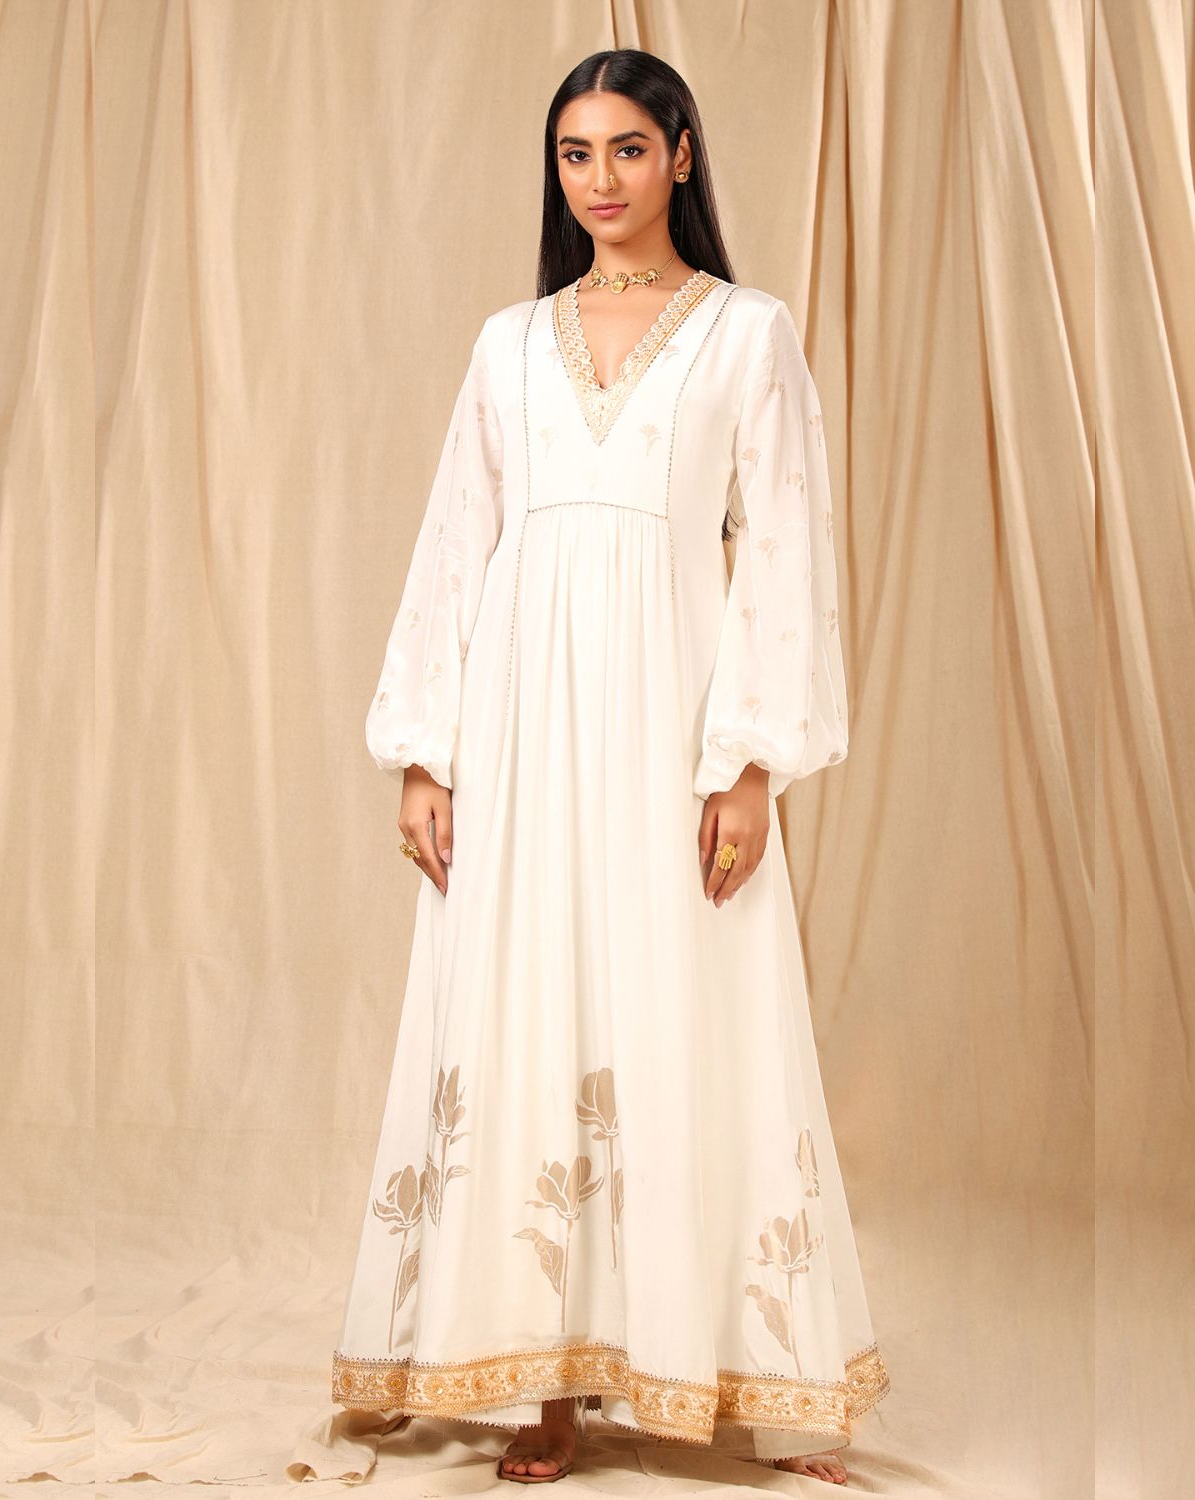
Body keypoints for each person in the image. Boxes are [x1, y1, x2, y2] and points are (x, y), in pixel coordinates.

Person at [332, 48, 890, 1490]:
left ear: (682, 155)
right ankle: (543, 1387)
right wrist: (424, 754)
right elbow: (456, 546)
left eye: (629, 149)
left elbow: (784, 549)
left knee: (686, 1003)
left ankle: (728, 1366)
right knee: (525, 1005)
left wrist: (749, 764)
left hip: (671, 722)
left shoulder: (749, 334)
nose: (601, 179)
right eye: (575, 154)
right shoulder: (508, 345)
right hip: (520, 729)